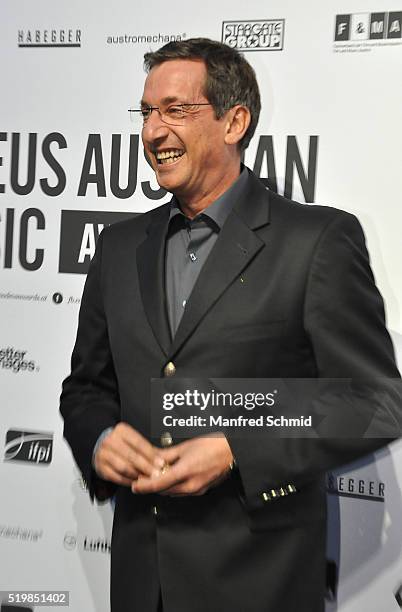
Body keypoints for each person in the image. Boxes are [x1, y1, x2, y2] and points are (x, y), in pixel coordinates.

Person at [60, 38, 401, 612]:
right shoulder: (119, 248)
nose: (152, 132)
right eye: (146, 113)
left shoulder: (315, 242)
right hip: (141, 583)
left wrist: (238, 448)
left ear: (234, 121)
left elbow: (375, 401)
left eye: (175, 110)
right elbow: (87, 388)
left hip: (259, 584)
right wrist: (97, 440)